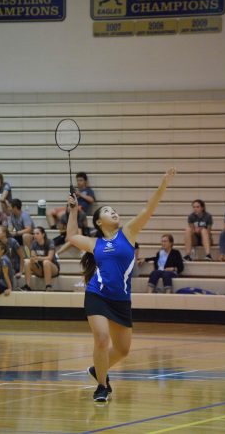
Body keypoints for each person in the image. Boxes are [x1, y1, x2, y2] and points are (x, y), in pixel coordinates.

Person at [66, 168, 176, 403]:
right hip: (97, 295)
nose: (113, 212)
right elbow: (71, 237)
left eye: (114, 210)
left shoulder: (128, 233)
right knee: (102, 339)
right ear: (98, 221)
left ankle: (98, 369)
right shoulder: (94, 243)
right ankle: (102, 386)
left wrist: (163, 185)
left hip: (121, 300)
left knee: (123, 350)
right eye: (107, 211)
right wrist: (73, 211)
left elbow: (149, 209)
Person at [22, 226, 60, 291]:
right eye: (34, 234)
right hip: (40, 269)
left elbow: (49, 258)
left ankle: (48, 286)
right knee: (27, 262)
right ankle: (27, 286)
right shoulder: (34, 243)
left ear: (43, 234)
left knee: (46, 262)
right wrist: (33, 260)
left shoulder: (50, 242)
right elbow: (33, 257)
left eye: (37, 233)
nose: (35, 236)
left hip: (52, 268)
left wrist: (38, 258)